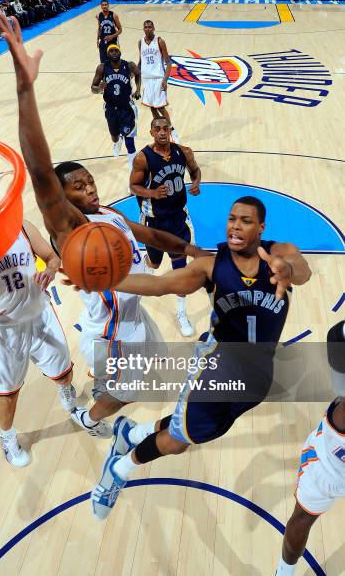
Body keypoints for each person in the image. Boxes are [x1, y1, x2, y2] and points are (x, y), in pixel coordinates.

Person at [0, 12, 207, 440]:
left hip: (134, 314)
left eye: (89, 180)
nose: (89, 187)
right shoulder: (67, 227)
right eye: (77, 186)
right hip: (112, 329)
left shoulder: (106, 213)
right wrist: (24, 87)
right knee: (129, 392)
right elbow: (39, 171)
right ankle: (89, 417)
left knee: (152, 364)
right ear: (61, 198)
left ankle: (99, 386)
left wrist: (196, 252)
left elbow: (147, 235)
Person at [86, 196, 312, 519]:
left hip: (258, 375)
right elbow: (160, 285)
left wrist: (288, 270)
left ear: (262, 227)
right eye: (232, 218)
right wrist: (107, 281)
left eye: (245, 220)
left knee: (195, 426)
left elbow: (303, 271)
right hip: (215, 369)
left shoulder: (279, 254)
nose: (235, 225)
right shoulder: (211, 265)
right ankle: (119, 470)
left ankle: (131, 433)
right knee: (180, 440)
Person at [0, 183, 75, 467]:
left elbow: (52, 257)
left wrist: (49, 269)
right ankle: (7, 437)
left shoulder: (21, 226)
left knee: (64, 374)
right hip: (5, 331)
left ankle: (67, 395)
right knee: (9, 395)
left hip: (41, 315)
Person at [276, 320, 345, 575]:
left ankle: (284, 571)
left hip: (330, 464)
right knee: (302, 519)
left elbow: (337, 337)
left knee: (302, 518)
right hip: (333, 461)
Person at [130, 116, 201, 336]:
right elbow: (133, 186)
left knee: (181, 270)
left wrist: (196, 182)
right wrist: (151, 192)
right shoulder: (143, 158)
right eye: (157, 129)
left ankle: (181, 313)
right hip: (154, 221)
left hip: (178, 219)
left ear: (170, 130)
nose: (162, 132)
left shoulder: (184, 151)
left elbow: (195, 170)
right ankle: (144, 263)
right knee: (154, 263)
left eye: (165, 129)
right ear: (151, 132)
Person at [91, 43, 141, 173]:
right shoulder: (102, 68)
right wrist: (99, 88)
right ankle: (117, 141)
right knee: (114, 135)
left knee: (130, 141)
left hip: (126, 108)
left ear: (120, 52)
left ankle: (132, 172)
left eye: (116, 50)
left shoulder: (129, 65)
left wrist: (138, 90)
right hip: (110, 108)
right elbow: (93, 88)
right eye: (111, 51)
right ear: (108, 54)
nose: (114, 52)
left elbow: (138, 74)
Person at [139, 20, 179, 143]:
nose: (148, 29)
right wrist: (135, 74)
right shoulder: (140, 42)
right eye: (146, 27)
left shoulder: (160, 41)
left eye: (150, 27)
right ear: (143, 29)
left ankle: (171, 130)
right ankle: (160, 129)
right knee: (152, 107)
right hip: (146, 79)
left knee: (161, 107)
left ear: (154, 28)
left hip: (158, 79)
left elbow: (168, 63)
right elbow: (141, 62)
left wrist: (165, 80)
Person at [96, 0, 122, 64]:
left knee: (114, 61)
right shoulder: (98, 15)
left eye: (106, 4)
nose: (104, 6)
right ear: (101, 6)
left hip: (112, 42)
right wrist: (97, 39)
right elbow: (99, 28)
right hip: (103, 42)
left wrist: (112, 36)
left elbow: (120, 29)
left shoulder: (114, 15)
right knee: (103, 62)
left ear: (108, 5)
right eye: (103, 5)